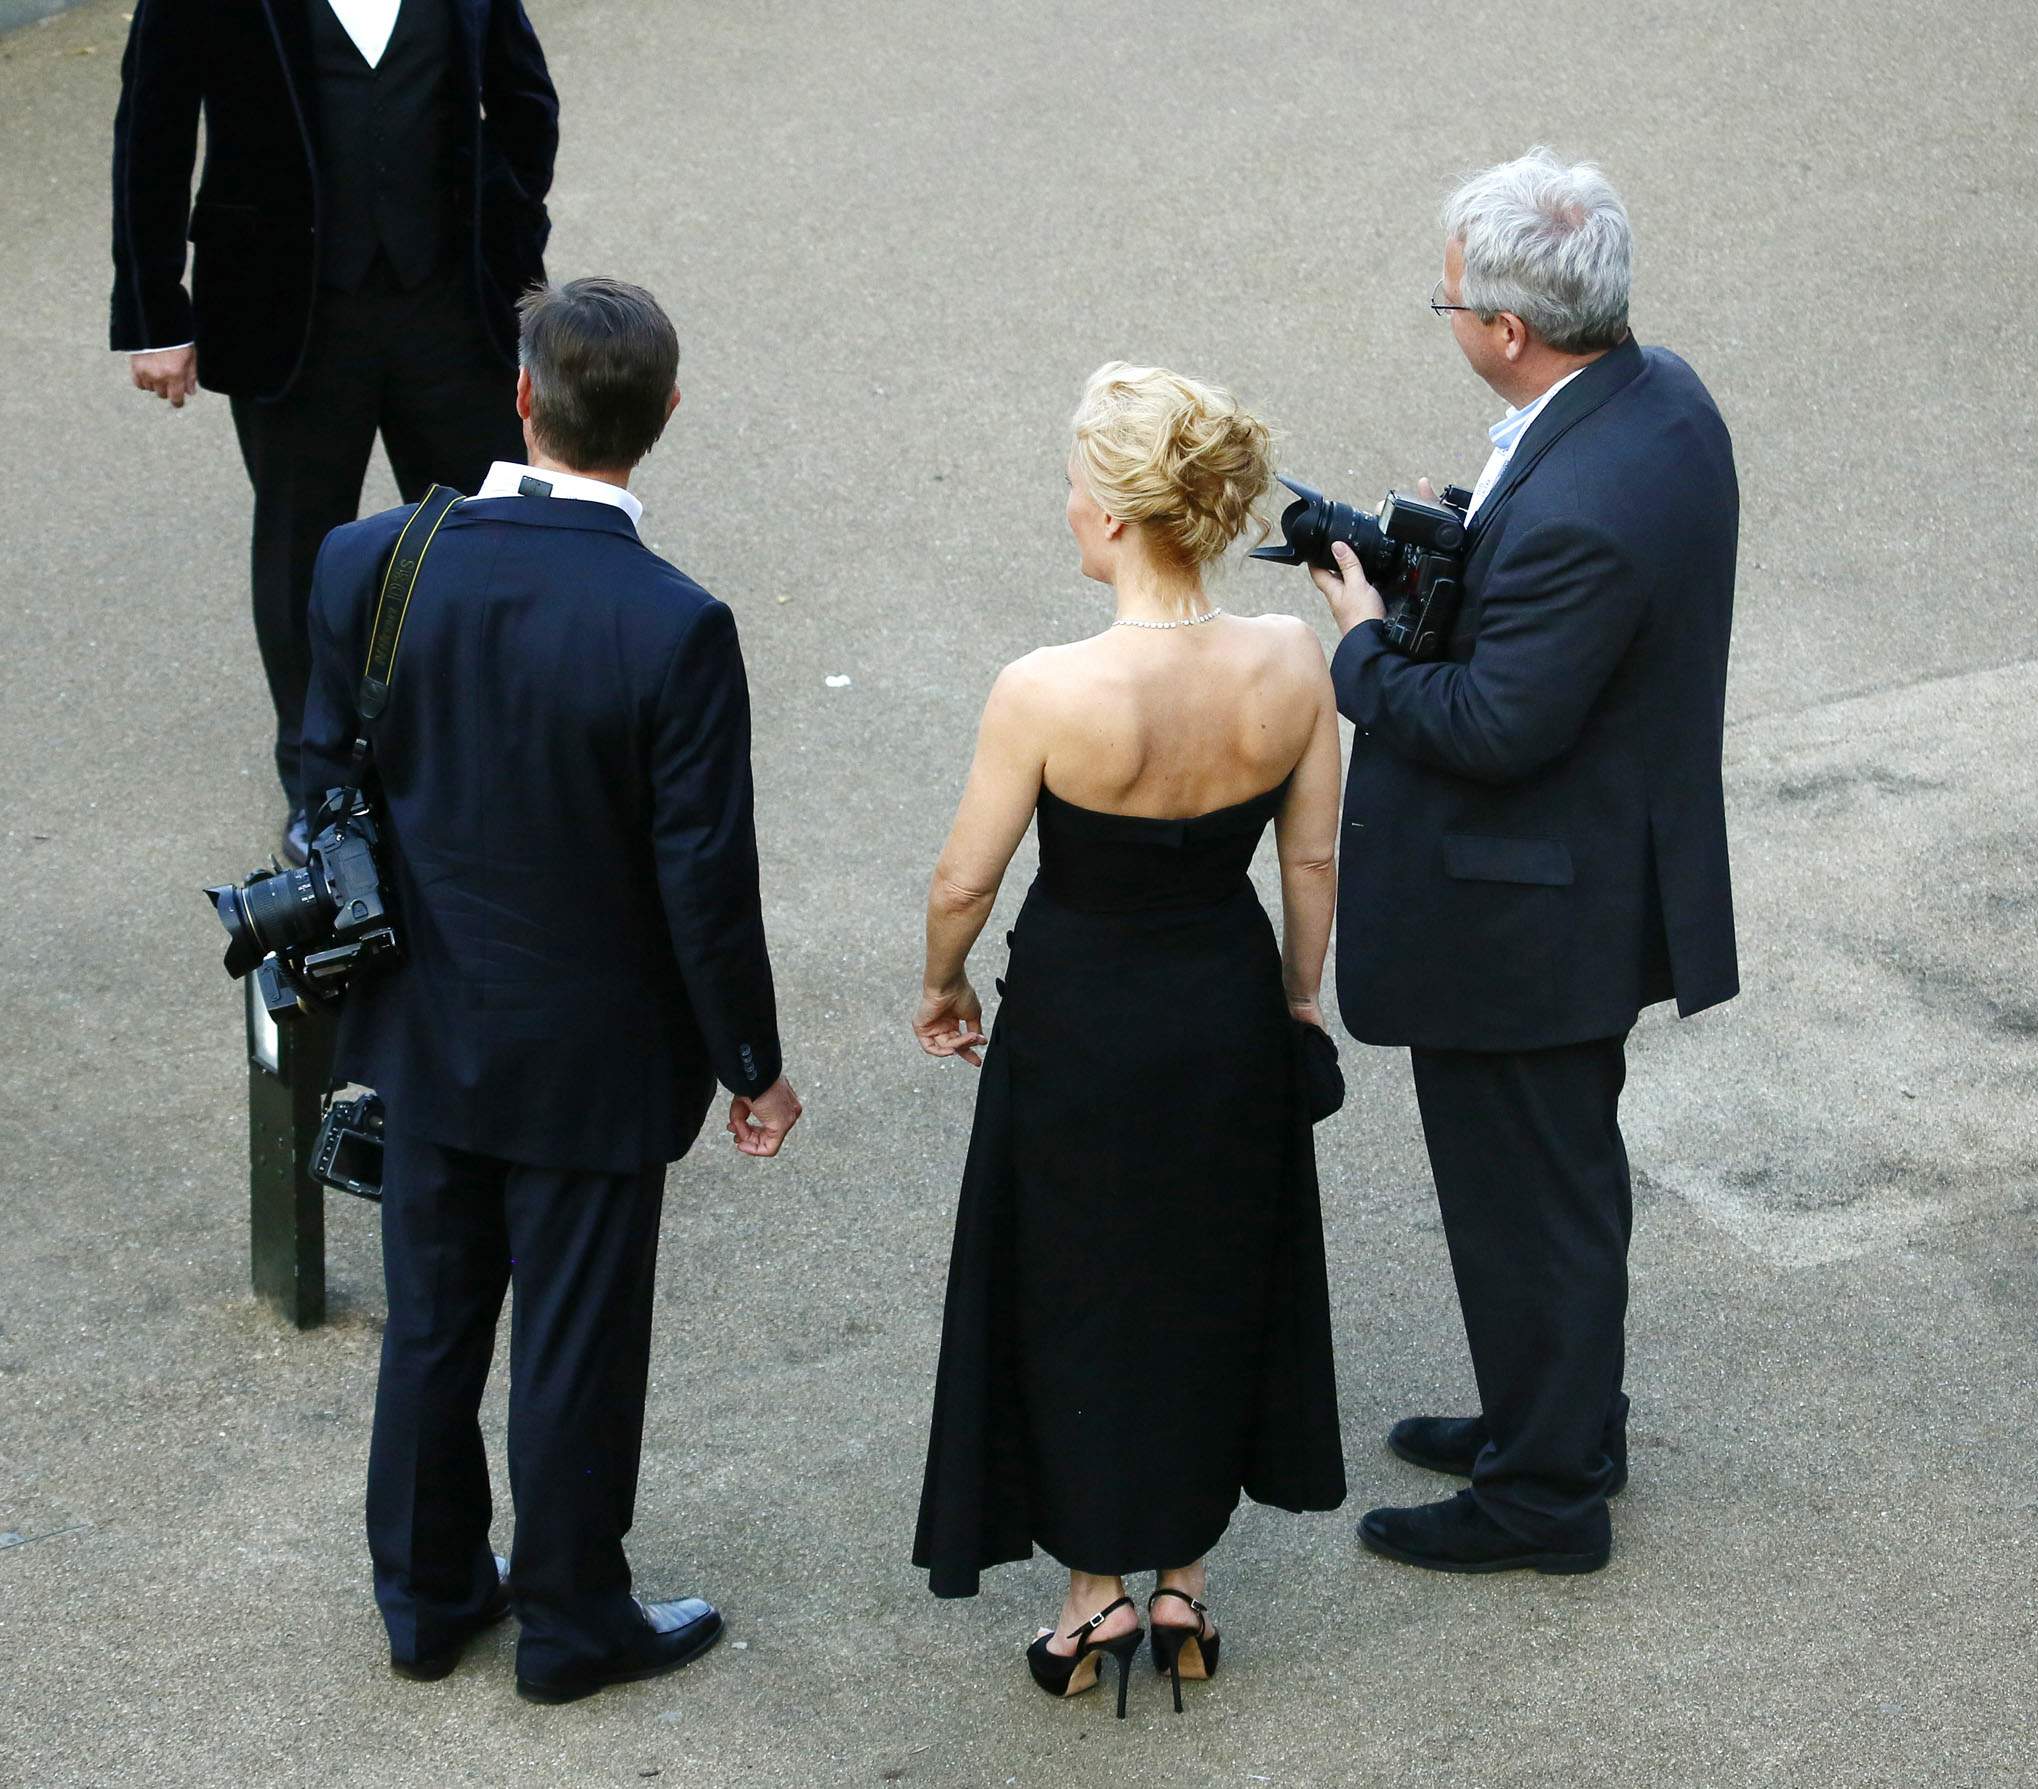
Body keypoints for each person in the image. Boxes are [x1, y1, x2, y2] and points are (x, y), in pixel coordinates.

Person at [298, 278, 804, 1702]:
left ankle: (426, 1599)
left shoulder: (371, 561)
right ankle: (575, 1622)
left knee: (432, 1324)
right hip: (593, 1057)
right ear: (663, 422)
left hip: (423, 1028)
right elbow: (704, 884)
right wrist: (751, 1062)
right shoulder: (674, 624)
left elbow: (321, 771)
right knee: (573, 1345)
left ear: (520, 395)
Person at [1308, 148, 1740, 1576]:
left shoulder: (1583, 502)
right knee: (1554, 1189)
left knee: (1528, 1207)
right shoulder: (1654, 397)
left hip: (1528, 917)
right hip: (1584, 878)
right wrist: (1424, 553)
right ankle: (1549, 1418)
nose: (1445, 323)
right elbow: (1538, 602)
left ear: (1507, 329)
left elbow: (1492, 722)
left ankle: (1547, 1492)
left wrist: (1362, 641)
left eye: (1446, 306)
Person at [910, 363, 1347, 1716]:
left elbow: (964, 883)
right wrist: (1290, 1002)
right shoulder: (1291, 659)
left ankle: (1092, 1594)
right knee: (1208, 1270)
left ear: (1108, 516)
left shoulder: (1047, 688)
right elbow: (1315, 858)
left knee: (1076, 1284)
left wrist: (947, 984)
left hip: (1082, 1014)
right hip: (1220, 996)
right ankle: (1186, 1588)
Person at [111, 0, 559, 865]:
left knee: (484, 539)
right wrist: (153, 311)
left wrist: (513, 238)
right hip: (289, 317)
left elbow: (523, 99)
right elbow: (153, 125)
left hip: (450, 307)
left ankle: (484, 763)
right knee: (301, 549)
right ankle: (318, 786)